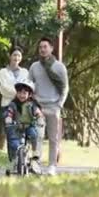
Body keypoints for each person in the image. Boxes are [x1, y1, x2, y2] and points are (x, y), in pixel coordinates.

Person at [29, 37, 69, 176]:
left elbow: (65, 87)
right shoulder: (34, 67)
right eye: (40, 47)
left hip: (54, 107)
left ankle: (52, 166)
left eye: (45, 47)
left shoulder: (59, 67)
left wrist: (59, 104)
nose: (42, 49)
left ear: (51, 48)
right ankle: (36, 164)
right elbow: (29, 85)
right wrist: (32, 102)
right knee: (37, 136)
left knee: (53, 139)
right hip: (39, 107)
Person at [2, 79, 43, 174]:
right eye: (19, 92)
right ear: (16, 93)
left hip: (29, 126)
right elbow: (9, 113)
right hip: (16, 126)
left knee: (34, 135)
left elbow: (38, 113)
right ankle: (14, 159)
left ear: (30, 94)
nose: (21, 95)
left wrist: (40, 119)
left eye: (24, 93)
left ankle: (34, 156)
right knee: (13, 141)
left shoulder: (32, 105)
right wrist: (8, 119)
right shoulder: (13, 104)